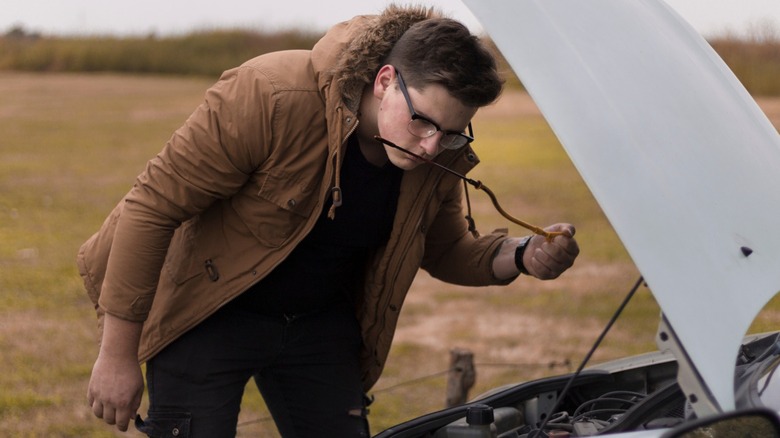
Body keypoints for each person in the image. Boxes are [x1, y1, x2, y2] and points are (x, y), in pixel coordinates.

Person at [78, 5, 579, 437]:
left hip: (318, 325)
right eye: (423, 121)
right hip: (209, 310)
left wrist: (520, 254)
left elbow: (445, 249)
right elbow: (152, 207)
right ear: (385, 81)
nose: (432, 147)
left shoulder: (435, 155)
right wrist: (117, 355)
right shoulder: (269, 93)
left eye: (451, 133)